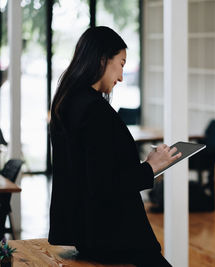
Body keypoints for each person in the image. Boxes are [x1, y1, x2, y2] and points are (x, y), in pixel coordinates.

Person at [48, 26, 180, 267]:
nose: (121, 76)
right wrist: (150, 167)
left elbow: (89, 175)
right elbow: (104, 184)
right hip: (113, 236)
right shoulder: (94, 110)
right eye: (120, 63)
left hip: (85, 233)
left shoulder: (66, 102)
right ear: (101, 60)